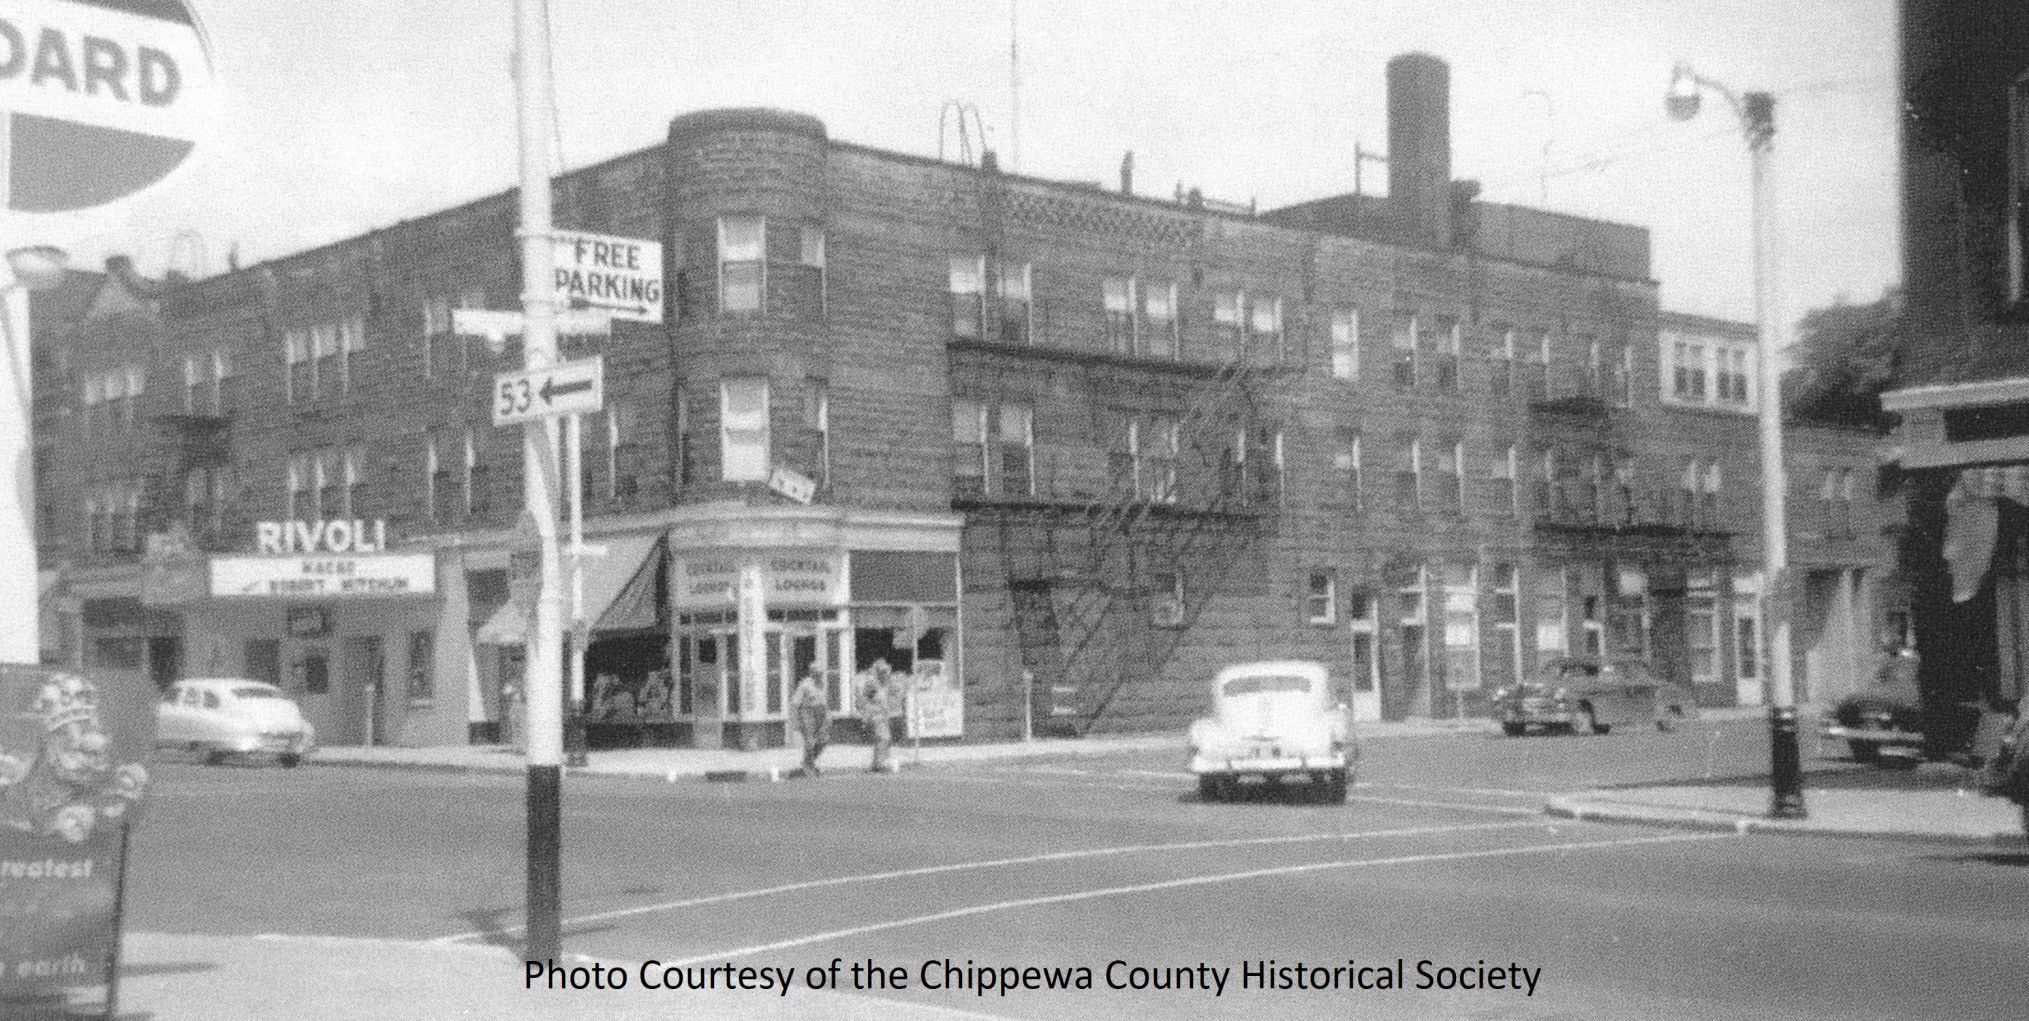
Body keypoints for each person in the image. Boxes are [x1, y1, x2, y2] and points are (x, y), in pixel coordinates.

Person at [859, 661, 898, 773]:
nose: (885, 674)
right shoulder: (873, 683)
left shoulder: (884, 683)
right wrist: (866, 717)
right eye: (882, 671)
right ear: (878, 672)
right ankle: (880, 764)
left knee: (880, 739)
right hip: (876, 715)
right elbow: (866, 698)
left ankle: (875, 765)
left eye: (886, 671)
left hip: (882, 715)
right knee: (883, 738)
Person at [791, 668, 830, 777]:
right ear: (812, 673)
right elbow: (795, 703)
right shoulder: (805, 685)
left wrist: (828, 715)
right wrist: (795, 720)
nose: (820, 675)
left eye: (821, 673)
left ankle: (808, 762)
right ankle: (808, 767)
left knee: (824, 740)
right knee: (810, 742)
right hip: (808, 714)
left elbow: (824, 702)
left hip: (820, 714)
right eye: (817, 673)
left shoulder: (822, 684)